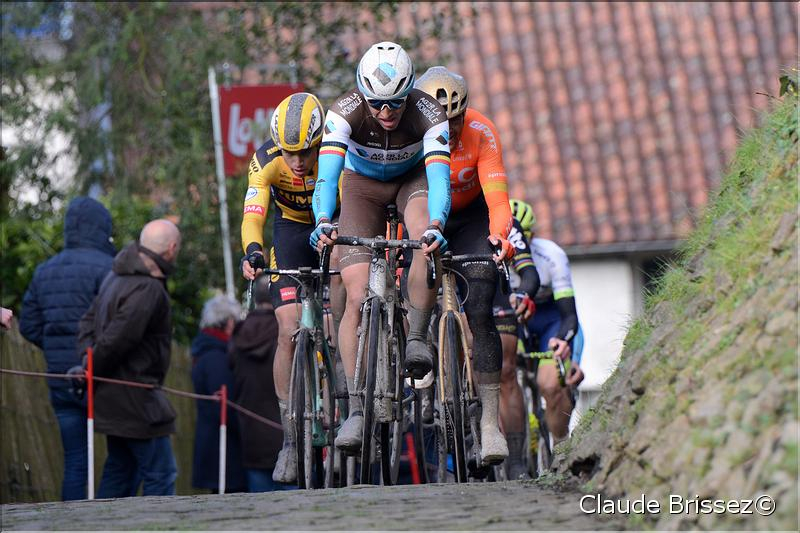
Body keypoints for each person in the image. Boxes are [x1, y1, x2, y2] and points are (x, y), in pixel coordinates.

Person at [311, 41, 451, 454]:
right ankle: (356, 408)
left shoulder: (429, 112)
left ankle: (417, 337)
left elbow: (439, 181)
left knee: (425, 239)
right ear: (362, 94)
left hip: (412, 181)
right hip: (362, 188)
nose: (386, 112)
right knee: (356, 295)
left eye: (395, 103)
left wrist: (437, 224)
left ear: (409, 92)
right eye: (376, 104)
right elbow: (327, 178)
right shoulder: (343, 113)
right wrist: (323, 220)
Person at [414, 66, 516, 464]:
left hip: (471, 220)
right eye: (442, 121)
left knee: (481, 307)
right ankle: (422, 363)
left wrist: (500, 236)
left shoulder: (482, 131)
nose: (450, 129)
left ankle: (489, 424)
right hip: (426, 217)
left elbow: (498, 198)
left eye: (456, 119)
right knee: (411, 286)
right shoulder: (411, 134)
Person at [240, 92, 340, 484]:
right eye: (289, 153)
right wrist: (252, 251)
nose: (297, 162)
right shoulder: (265, 161)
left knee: (335, 326)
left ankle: (342, 415)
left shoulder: (336, 150)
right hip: (290, 233)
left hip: (332, 227)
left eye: (305, 152)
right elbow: (253, 215)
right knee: (287, 329)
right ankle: (290, 436)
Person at [19, 196, 115, 501]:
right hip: (103, 377)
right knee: (122, 455)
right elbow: (117, 324)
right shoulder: (109, 268)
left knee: (75, 460)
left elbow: (28, 325)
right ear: (102, 228)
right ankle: (110, 518)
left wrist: (53, 346)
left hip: (60, 376)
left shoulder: (44, 270)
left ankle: (69, 521)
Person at [77, 218, 181, 498]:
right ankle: (160, 522)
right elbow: (117, 340)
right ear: (172, 248)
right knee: (161, 474)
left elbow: (86, 324)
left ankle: (102, 522)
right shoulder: (148, 288)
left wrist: (88, 362)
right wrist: (89, 367)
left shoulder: (115, 278)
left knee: (121, 472)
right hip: (136, 399)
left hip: (113, 396)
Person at [498, 199, 585, 477]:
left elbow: (569, 316)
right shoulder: (495, 258)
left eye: (524, 236)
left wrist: (570, 351)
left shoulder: (551, 256)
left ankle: (561, 445)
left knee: (550, 384)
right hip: (517, 323)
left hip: (551, 322)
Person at [229, 275, 296, 492]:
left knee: (261, 504)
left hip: (252, 434)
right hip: (287, 430)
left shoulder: (238, 335)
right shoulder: (288, 330)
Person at [190, 294, 247, 493]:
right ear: (228, 322)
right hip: (222, 447)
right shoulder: (216, 356)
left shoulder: (205, 351)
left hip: (214, 442)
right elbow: (226, 403)